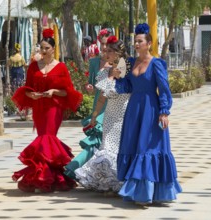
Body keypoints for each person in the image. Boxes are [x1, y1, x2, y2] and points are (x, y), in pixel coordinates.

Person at [113, 23, 182, 205]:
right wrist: (117, 76)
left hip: (150, 109)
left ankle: (145, 193)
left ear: (149, 43)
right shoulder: (127, 63)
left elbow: (164, 89)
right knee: (133, 146)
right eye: (135, 41)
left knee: (147, 148)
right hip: (134, 109)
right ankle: (138, 190)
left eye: (140, 41)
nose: (136, 44)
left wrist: (164, 112)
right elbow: (124, 89)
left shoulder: (156, 63)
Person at [11, 28, 83, 193]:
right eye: (41, 48)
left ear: (53, 49)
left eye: (46, 48)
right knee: (42, 138)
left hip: (54, 108)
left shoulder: (61, 67)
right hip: (39, 107)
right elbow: (26, 88)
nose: (43, 51)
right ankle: (47, 177)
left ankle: (45, 177)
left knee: (47, 137)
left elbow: (68, 92)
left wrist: (53, 92)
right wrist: (32, 95)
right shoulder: (33, 67)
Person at [74, 36, 130, 193]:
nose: (107, 53)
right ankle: (108, 183)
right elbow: (101, 96)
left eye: (111, 51)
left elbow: (113, 90)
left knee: (117, 147)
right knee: (107, 146)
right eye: (106, 50)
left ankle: (119, 182)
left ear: (118, 53)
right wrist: (95, 115)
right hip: (109, 113)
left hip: (122, 112)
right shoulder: (107, 70)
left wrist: (111, 76)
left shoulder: (123, 67)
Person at [64, 28, 112, 180]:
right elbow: (90, 85)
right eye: (102, 44)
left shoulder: (119, 62)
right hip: (99, 106)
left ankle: (98, 174)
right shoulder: (94, 62)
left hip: (114, 107)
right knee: (97, 141)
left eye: (107, 44)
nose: (104, 47)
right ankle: (75, 170)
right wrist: (89, 87)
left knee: (106, 144)